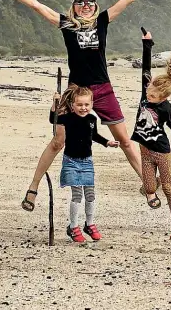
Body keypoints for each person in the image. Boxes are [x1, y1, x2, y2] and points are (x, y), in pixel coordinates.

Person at [0, 0, 160, 210]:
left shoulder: (102, 21)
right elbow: (37, 5)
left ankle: (148, 189)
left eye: (90, 2)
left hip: (103, 89)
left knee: (126, 141)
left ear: (95, 5)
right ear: (74, 5)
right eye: (81, 2)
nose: (86, 6)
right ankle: (33, 188)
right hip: (75, 91)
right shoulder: (67, 25)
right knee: (58, 141)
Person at [44, 85, 119, 243]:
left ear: (91, 104)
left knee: (90, 195)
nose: (83, 108)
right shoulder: (69, 118)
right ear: (73, 105)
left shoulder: (92, 119)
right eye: (79, 105)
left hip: (87, 162)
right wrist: (54, 104)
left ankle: (90, 224)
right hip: (71, 161)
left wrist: (107, 142)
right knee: (77, 195)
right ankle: (73, 226)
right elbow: (53, 119)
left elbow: (94, 136)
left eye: (86, 104)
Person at [131, 29, 171, 242]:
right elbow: (145, 69)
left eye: (152, 96)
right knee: (148, 188)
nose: (148, 95)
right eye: (147, 92)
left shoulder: (166, 108)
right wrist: (147, 44)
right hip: (144, 151)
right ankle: (168, 175)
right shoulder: (146, 91)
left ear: (163, 97)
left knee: (167, 189)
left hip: (162, 152)